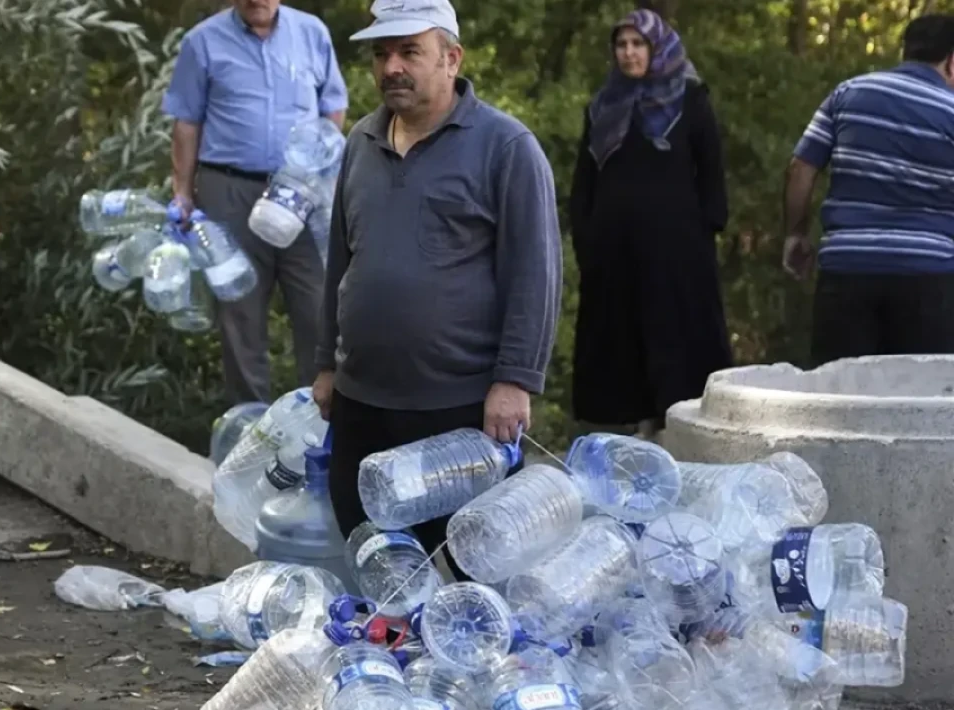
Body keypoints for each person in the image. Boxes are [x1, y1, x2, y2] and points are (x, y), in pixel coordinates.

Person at [312, 0, 561, 579]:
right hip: (362, 401)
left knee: (471, 572)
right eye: (381, 54)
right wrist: (327, 363)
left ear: (451, 58)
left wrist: (516, 378)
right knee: (378, 564)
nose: (391, 67)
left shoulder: (506, 147)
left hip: (458, 409)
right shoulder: (360, 143)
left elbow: (535, 271)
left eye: (409, 52)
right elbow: (340, 263)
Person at [162, 0, 349, 404]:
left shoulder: (312, 33)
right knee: (239, 317)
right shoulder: (202, 42)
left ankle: (316, 434)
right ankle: (249, 434)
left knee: (320, 309)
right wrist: (182, 191)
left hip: (301, 194)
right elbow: (186, 122)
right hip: (229, 190)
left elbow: (333, 108)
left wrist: (318, 170)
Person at [568, 8, 731, 440]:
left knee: (674, 330)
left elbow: (710, 169)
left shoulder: (690, 100)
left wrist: (706, 229)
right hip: (613, 247)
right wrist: (586, 235)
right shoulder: (603, 106)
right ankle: (625, 423)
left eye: (638, 44)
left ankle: (675, 420)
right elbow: (585, 179)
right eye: (621, 45)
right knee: (619, 331)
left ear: (657, 48)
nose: (628, 53)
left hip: (676, 247)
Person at [783, 14, 954, 366]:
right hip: (927, 276)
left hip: (847, 269)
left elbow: (802, 167)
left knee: (838, 396)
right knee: (918, 403)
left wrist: (796, 234)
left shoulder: (848, 92)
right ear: (952, 61)